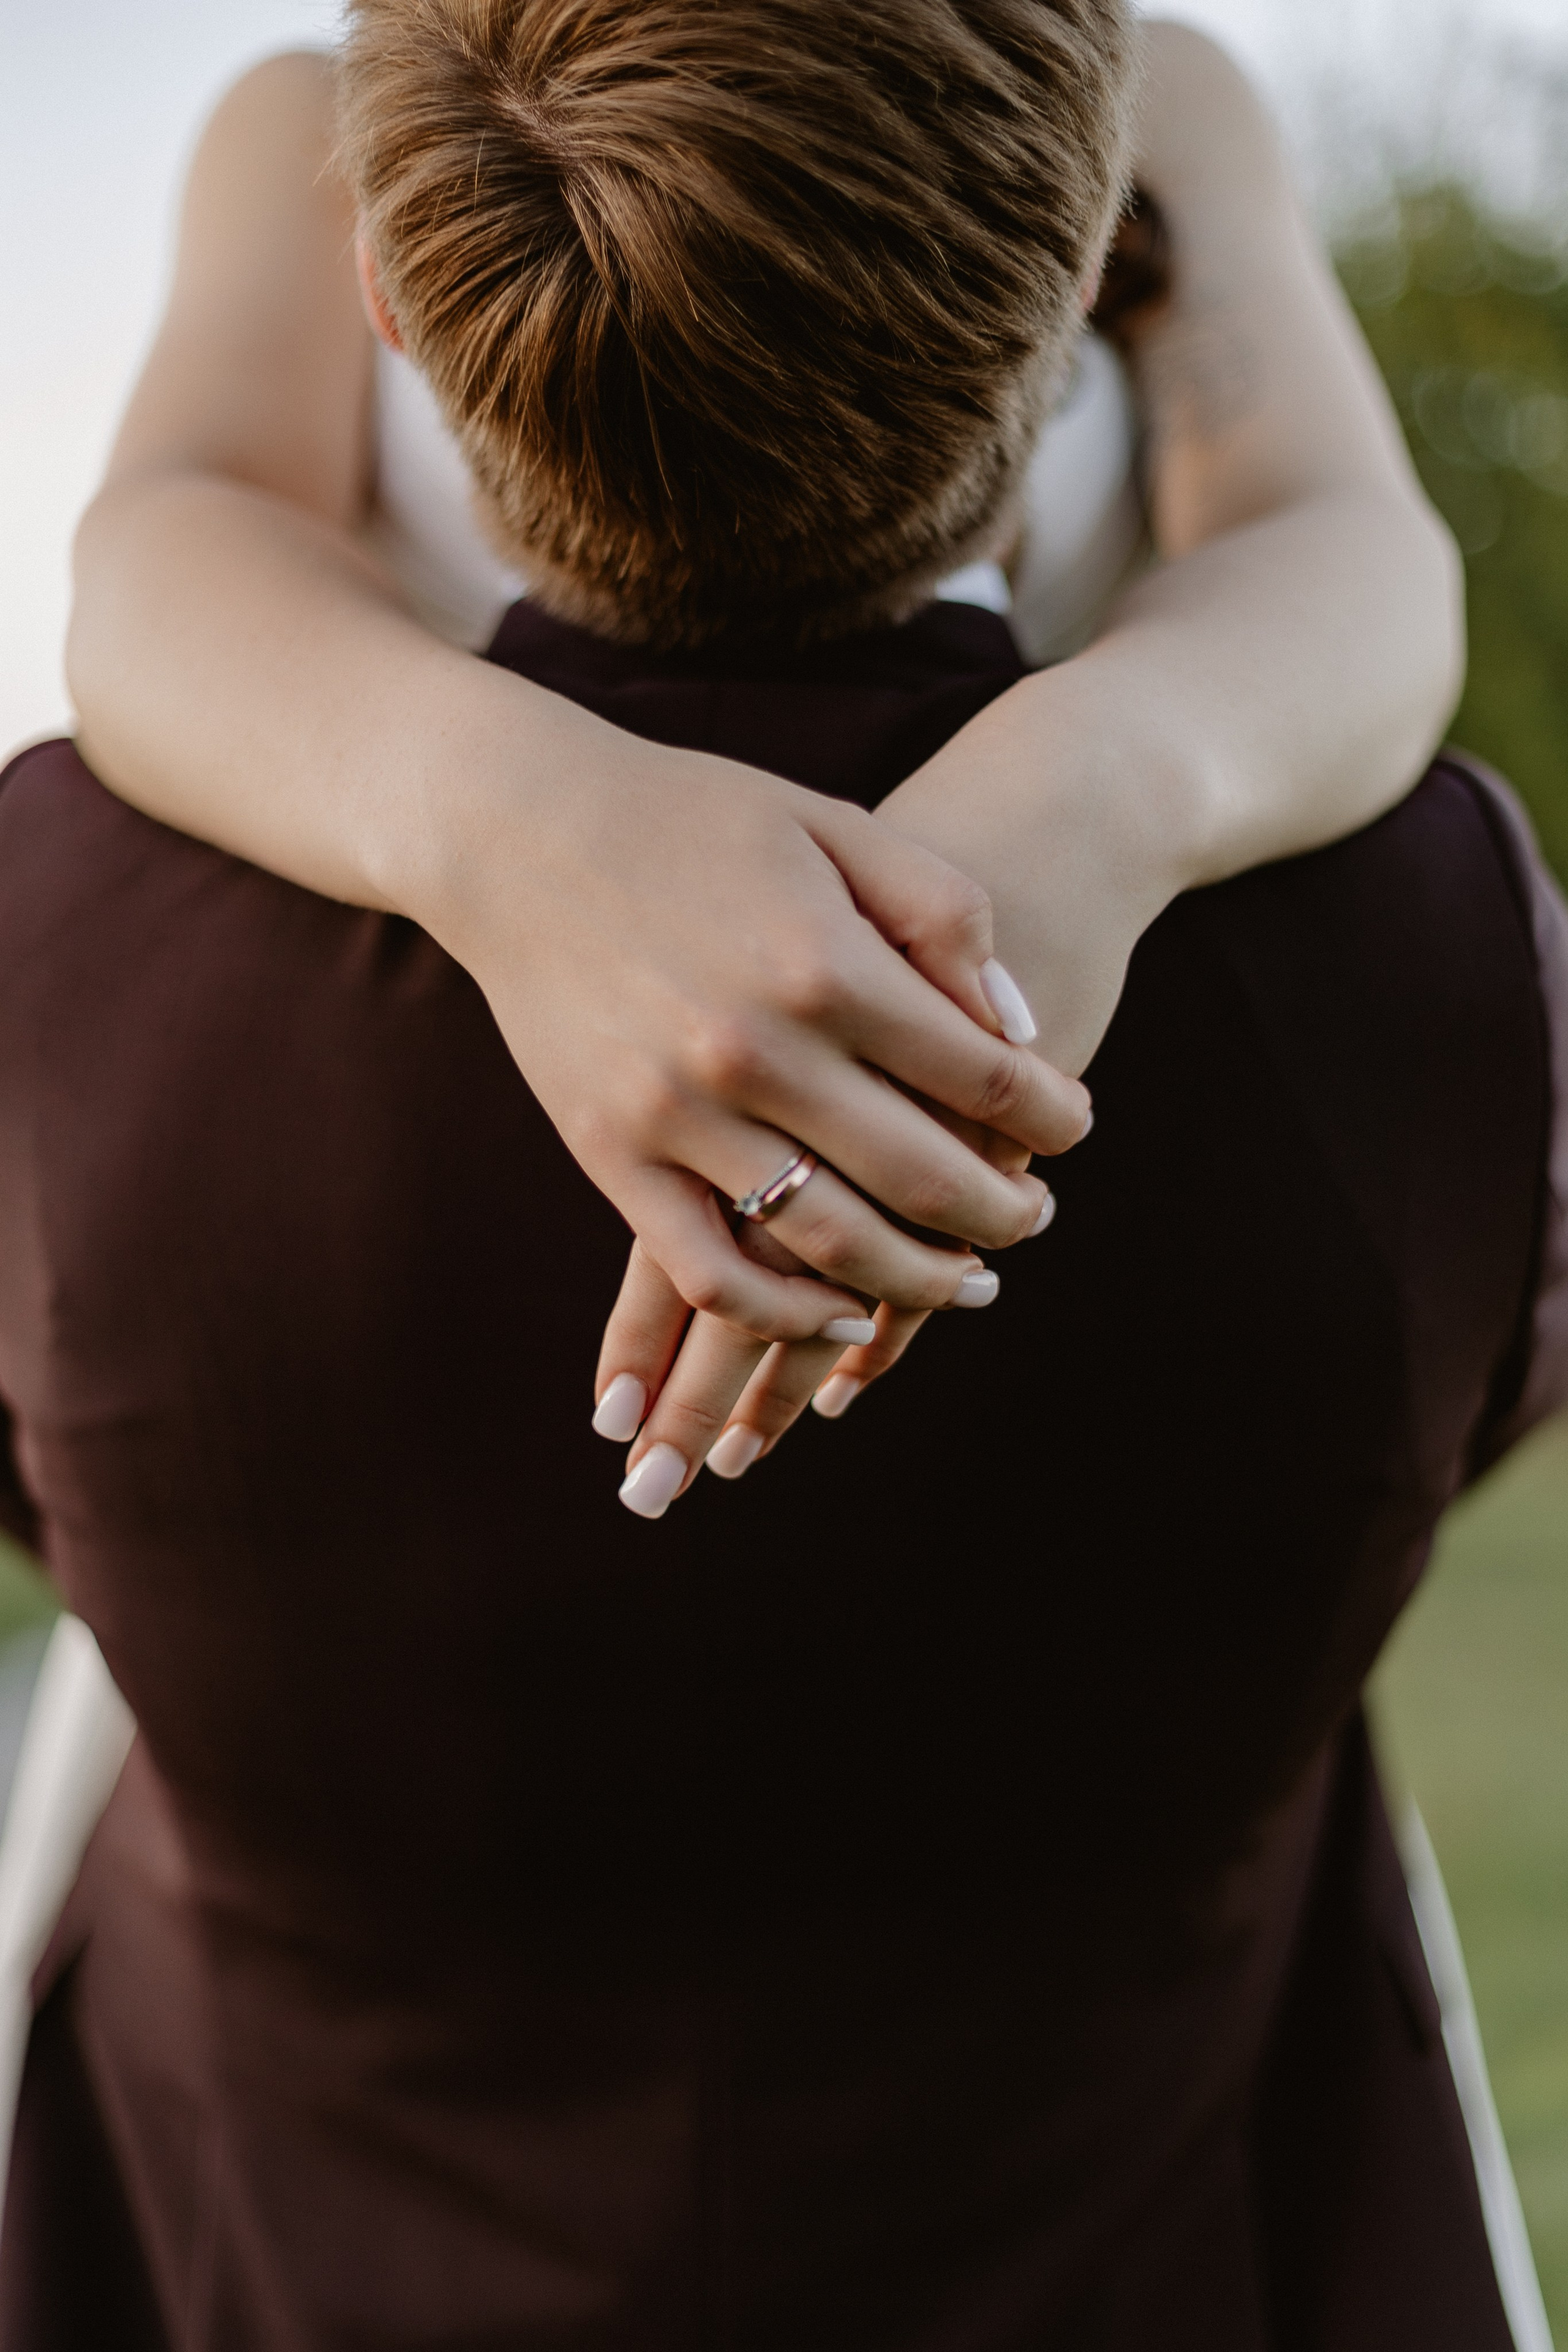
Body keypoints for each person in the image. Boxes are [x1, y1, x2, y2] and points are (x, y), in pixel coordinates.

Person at [1, 2, 1560, 2345]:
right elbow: (1357, 553)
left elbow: (158, 545)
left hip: (272, 2237)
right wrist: (1029, 826)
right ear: (1085, 271)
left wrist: (526, 812)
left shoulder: (62, 954)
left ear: (385, 289)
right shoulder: (1433, 952)